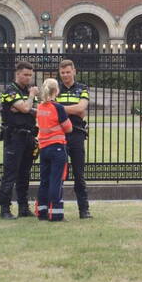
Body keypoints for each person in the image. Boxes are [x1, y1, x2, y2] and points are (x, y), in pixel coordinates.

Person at [0, 61, 39, 220]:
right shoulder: (9, 90)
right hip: (14, 136)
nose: (28, 78)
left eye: (30, 75)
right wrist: (28, 102)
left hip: (29, 136)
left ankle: (23, 207)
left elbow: (35, 111)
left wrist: (24, 107)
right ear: (17, 74)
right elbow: (27, 109)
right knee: (10, 174)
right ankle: (5, 209)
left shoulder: (27, 92)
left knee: (24, 174)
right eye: (25, 75)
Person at [57, 59, 92, 219]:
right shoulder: (55, 89)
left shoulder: (82, 88)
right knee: (58, 174)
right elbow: (77, 109)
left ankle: (84, 210)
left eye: (68, 72)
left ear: (74, 71)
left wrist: (59, 108)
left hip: (77, 134)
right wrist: (74, 109)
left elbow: (81, 109)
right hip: (59, 135)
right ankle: (57, 210)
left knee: (79, 174)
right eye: (62, 72)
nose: (65, 75)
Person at [36, 77, 73, 221]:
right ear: (56, 90)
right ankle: (56, 213)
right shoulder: (58, 107)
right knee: (56, 180)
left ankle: (42, 212)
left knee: (44, 180)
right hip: (57, 147)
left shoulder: (40, 107)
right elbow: (68, 128)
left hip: (43, 147)